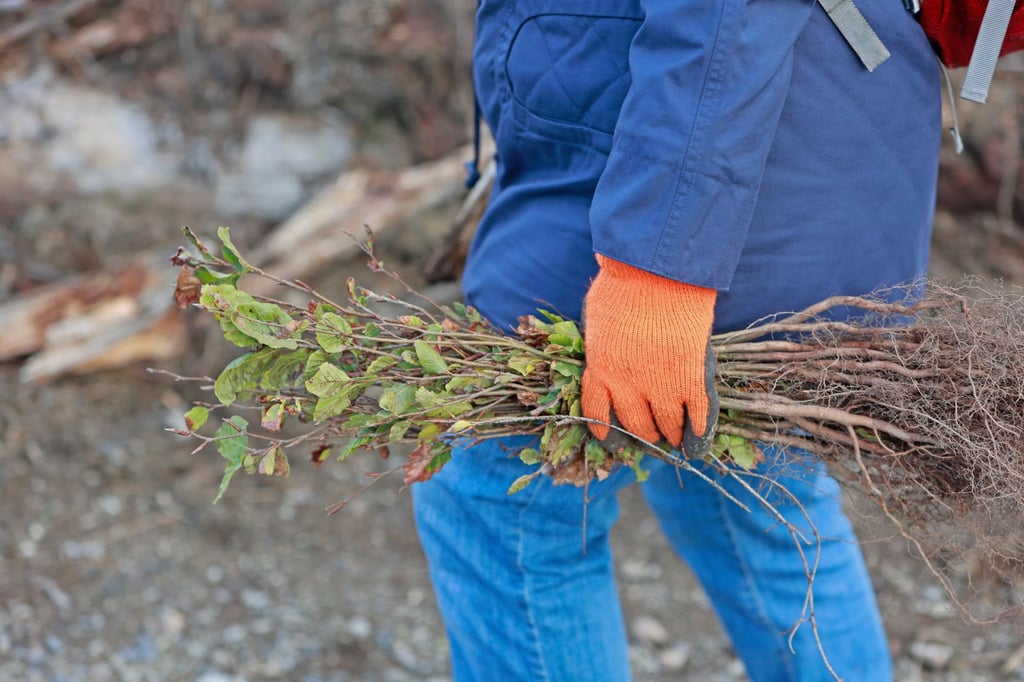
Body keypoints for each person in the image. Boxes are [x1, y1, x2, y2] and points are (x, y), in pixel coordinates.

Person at [412, 0, 941, 680]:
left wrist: (658, 269)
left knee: (500, 486)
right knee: (750, 493)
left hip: (656, 158)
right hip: (802, 126)